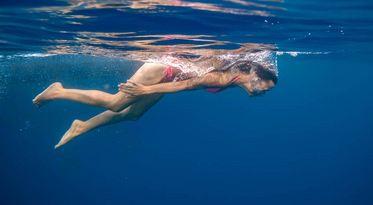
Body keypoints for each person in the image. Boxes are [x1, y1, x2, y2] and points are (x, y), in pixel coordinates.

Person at [32, 60, 277, 149]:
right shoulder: (222, 78)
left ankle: (81, 126)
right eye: (266, 87)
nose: (263, 92)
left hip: (168, 78)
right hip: (161, 71)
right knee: (117, 103)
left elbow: (182, 83)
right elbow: (184, 86)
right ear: (257, 77)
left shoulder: (233, 78)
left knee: (134, 113)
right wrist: (146, 89)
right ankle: (58, 91)